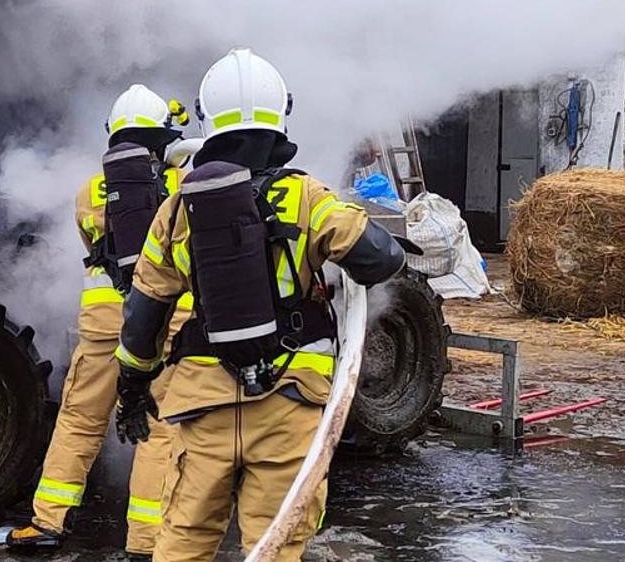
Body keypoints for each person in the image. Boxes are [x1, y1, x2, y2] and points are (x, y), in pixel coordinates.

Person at [111, 48, 407, 562]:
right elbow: (382, 258)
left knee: (183, 538)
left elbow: (144, 313)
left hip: (202, 403)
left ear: (207, 119)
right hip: (288, 401)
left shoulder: (178, 209)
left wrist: (133, 387)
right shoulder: (306, 196)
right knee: (274, 545)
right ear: (279, 115)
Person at [8, 84, 191, 561]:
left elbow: (94, 247)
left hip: (103, 322)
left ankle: (46, 522)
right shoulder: (181, 186)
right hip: (165, 322)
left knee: (80, 418)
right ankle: (146, 542)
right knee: (158, 427)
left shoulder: (89, 191)